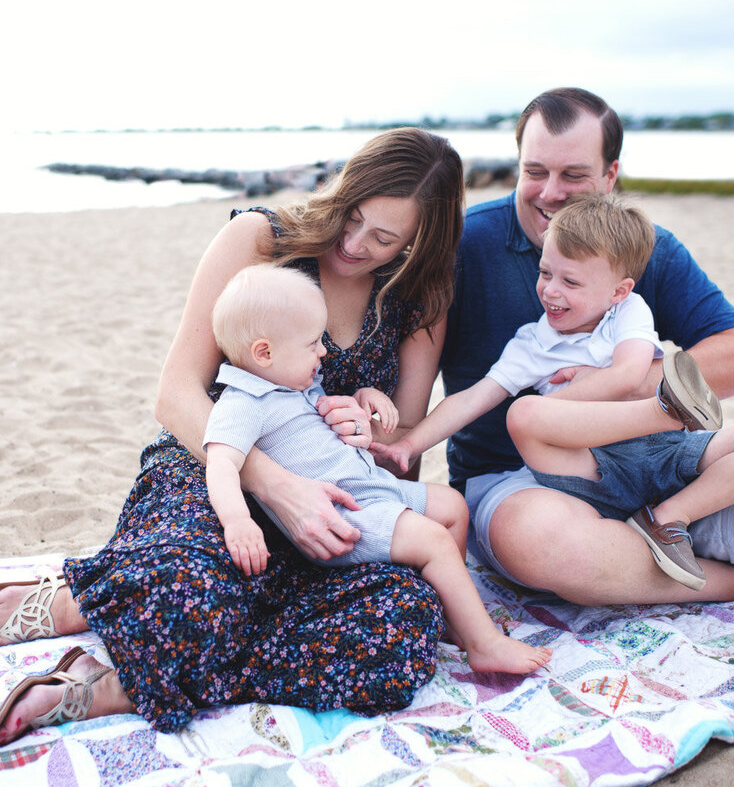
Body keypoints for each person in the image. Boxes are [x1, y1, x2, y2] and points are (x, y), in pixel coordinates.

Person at [0, 127, 473, 747]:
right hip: (210, 464)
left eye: (384, 238)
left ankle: (119, 676)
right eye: (351, 216)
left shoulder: (417, 299)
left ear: (417, 243)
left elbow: (402, 456)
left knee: (399, 634)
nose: (353, 244)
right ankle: (81, 601)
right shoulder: (261, 240)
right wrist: (276, 488)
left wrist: (374, 428)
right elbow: (175, 395)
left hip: (337, 496)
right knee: (193, 592)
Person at [439, 87, 734, 609]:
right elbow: (417, 376)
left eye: (574, 175)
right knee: (551, 546)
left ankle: (650, 538)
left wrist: (623, 381)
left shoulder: (647, 246)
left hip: (653, 466)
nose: (550, 192)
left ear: (610, 176)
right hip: (521, 480)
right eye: (535, 171)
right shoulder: (467, 244)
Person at [377, 192, 734, 591]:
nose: (550, 291)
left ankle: (667, 519)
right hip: (585, 469)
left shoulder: (628, 313)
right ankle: (672, 409)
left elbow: (628, 373)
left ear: (619, 291)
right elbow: (473, 398)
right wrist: (411, 444)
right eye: (545, 273)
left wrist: (578, 390)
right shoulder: (534, 342)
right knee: (526, 414)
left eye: (570, 282)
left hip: (660, 453)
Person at [203, 263, 550, 673]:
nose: (323, 352)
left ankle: (452, 614)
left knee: (453, 505)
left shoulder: (292, 383)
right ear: (264, 352)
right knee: (434, 540)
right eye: (313, 343)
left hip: (376, 489)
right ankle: (483, 643)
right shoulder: (243, 402)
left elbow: (332, 413)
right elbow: (221, 463)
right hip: (346, 515)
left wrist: (366, 395)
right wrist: (238, 522)